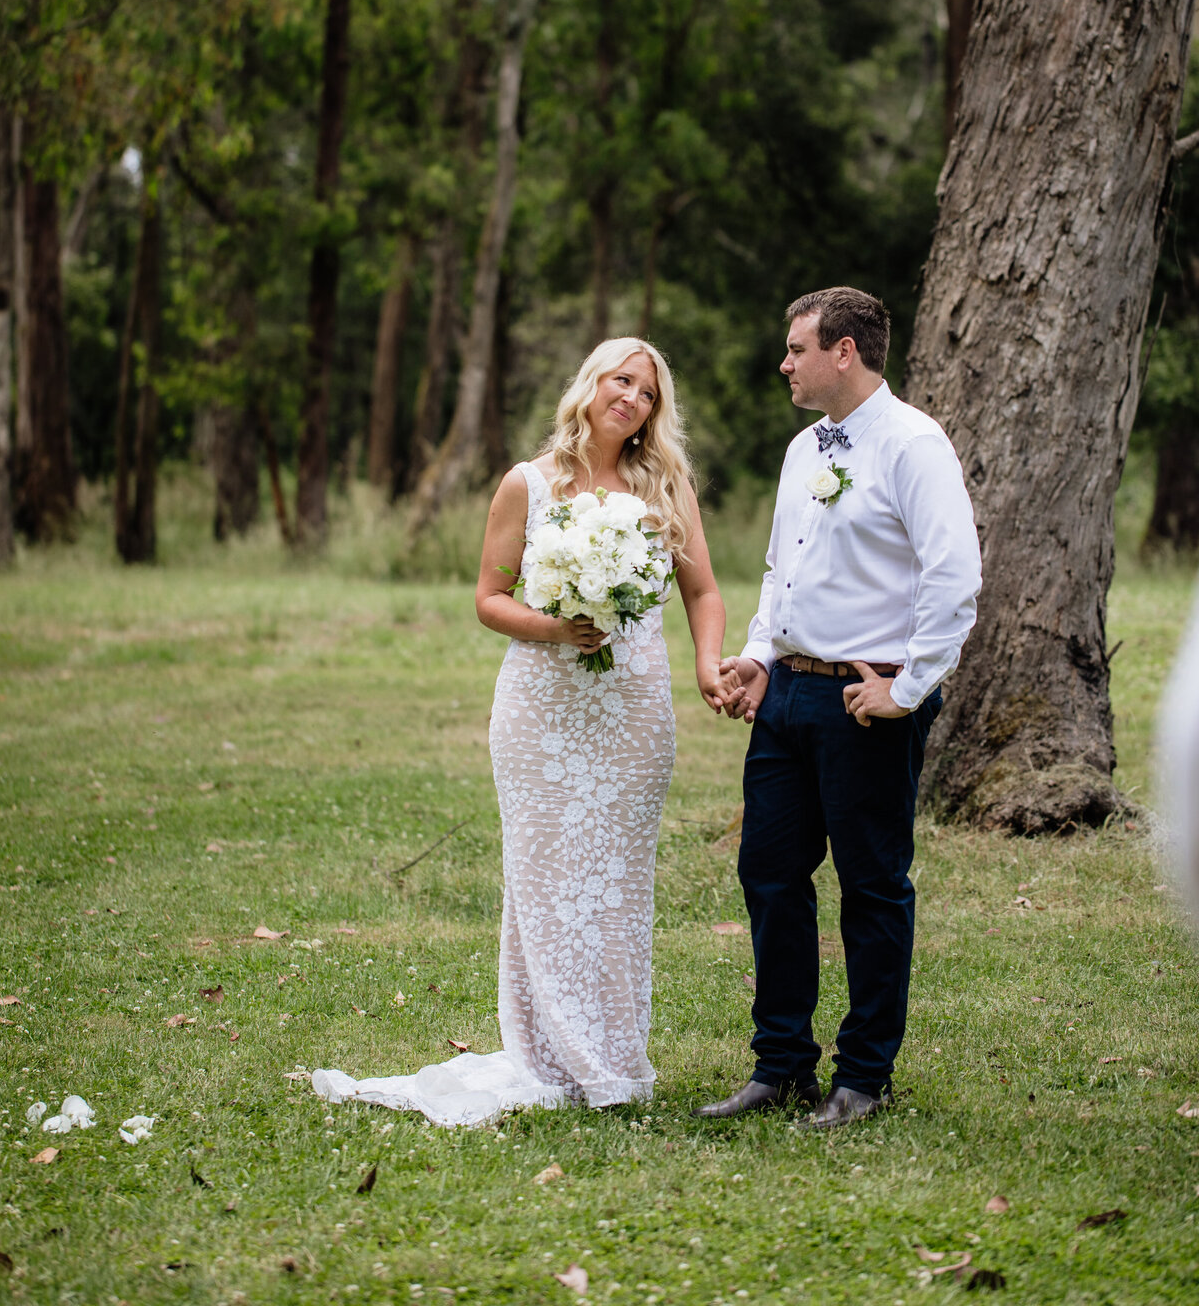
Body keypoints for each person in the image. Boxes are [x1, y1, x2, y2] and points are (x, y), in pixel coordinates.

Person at [313, 336, 728, 1127]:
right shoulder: (527, 484)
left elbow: (703, 590)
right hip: (542, 712)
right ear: (590, 385)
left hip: (631, 712)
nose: (632, 398)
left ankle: (611, 1055)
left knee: (616, 885)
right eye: (621, 380)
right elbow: (488, 597)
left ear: (655, 411)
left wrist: (709, 664)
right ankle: (548, 1055)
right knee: (543, 881)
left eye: (647, 392)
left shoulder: (666, 485)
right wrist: (553, 626)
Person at [696, 287, 981, 1129]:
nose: (784, 363)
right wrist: (756, 655)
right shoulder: (800, 450)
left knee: (871, 886)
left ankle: (864, 1077)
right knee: (771, 876)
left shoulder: (914, 445)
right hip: (786, 697)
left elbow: (954, 578)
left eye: (796, 349)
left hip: (865, 704)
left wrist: (909, 685)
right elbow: (782, 572)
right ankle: (779, 1066)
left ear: (844, 351)